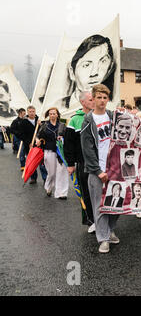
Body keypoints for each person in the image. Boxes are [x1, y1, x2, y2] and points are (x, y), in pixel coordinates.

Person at [80, 84, 120, 254]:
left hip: (114, 168)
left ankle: (109, 230)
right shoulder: (88, 121)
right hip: (98, 171)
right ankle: (102, 238)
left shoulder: (113, 117)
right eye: (99, 98)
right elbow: (87, 149)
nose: (102, 101)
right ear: (93, 99)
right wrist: (98, 171)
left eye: (105, 98)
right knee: (100, 205)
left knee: (116, 203)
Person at [65, 91, 96, 233]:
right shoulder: (74, 120)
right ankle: (91, 220)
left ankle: (102, 220)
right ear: (83, 102)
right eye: (91, 99)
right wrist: (70, 164)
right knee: (87, 192)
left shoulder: (100, 116)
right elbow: (69, 144)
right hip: (83, 163)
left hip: (99, 162)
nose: (94, 101)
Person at [62, 34, 116, 110]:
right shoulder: (59, 107)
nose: (94, 73)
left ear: (110, 66)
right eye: (86, 65)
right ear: (72, 73)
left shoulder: (110, 107)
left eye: (103, 61)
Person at [36, 107, 69, 199]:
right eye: (50, 114)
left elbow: (67, 137)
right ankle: (49, 187)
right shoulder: (44, 125)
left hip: (60, 152)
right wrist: (37, 141)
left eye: (54, 113)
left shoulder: (62, 125)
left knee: (62, 172)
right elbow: (38, 136)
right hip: (49, 151)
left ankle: (62, 193)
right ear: (48, 115)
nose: (52, 115)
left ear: (57, 114)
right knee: (51, 173)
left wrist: (62, 139)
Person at [17, 106, 48, 184]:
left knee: (42, 162)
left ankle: (45, 178)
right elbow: (21, 134)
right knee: (32, 162)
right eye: (30, 111)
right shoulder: (23, 122)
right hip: (29, 145)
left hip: (39, 144)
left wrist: (41, 125)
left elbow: (45, 132)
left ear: (35, 111)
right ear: (27, 112)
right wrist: (28, 142)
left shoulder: (40, 121)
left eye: (33, 111)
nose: (31, 113)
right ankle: (33, 178)